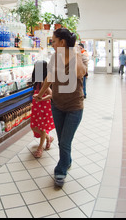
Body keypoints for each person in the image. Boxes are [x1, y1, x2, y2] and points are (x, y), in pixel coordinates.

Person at [34, 28, 87, 188]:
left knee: (64, 142)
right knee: (62, 141)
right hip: (57, 105)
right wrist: (40, 94)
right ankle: (67, 160)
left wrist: (75, 52)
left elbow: (80, 73)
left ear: (62, 42)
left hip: (74, 107)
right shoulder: (54, 58)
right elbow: (49, 77)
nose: (52, 44)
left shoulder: (79, 57)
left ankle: (61, 170)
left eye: (54, 41)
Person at [29, 60, 55, 158]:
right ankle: (48, 138)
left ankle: (40, 148)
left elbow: (51, 95)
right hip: (37, 108)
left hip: (44, 108)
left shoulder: (44, 81)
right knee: (33, 126)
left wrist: (41, 98)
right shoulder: (38, 81)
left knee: (42, 128)